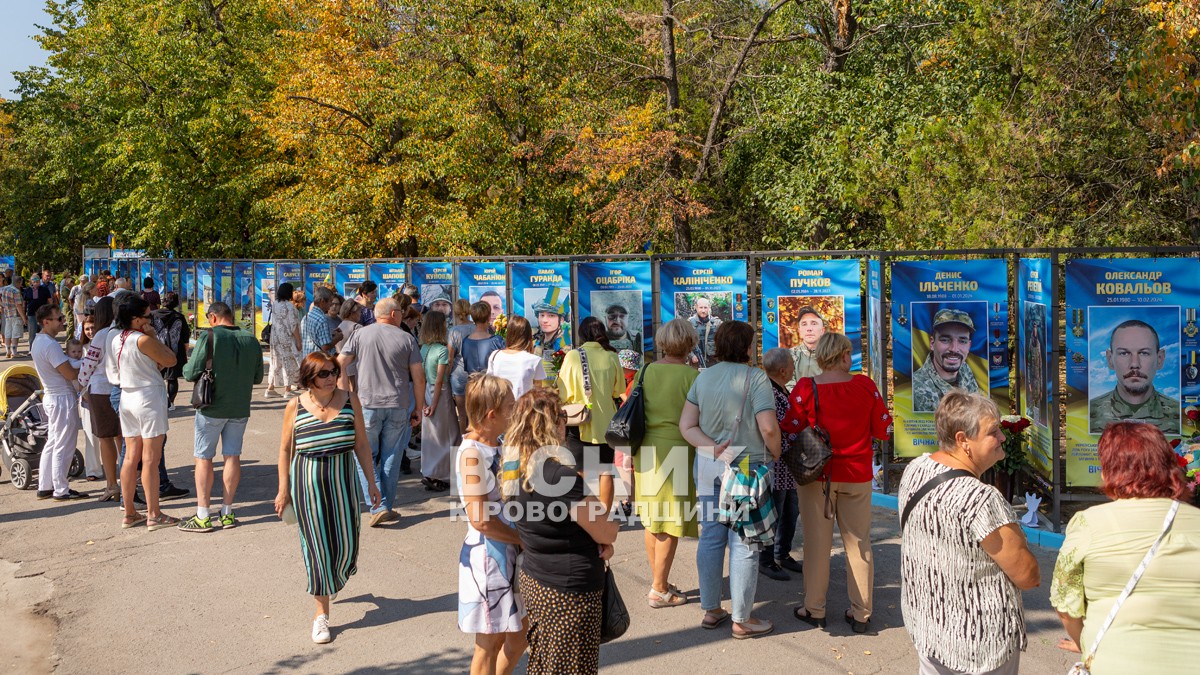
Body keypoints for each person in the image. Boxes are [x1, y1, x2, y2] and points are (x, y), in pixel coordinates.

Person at [898, 390, 1039, 674]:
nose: (1002, 438)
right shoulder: (982, 500)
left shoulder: (916, 469)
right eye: (993, 432)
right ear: (963, 440)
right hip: (979, 647)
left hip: (928, 629)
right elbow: (1027, 575)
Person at [1050, 422, 1200, 673]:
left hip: (1116, 661)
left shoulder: (1089, 523)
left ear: (1109, 471)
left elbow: (1066, 605)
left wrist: (1087, 644)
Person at [782, 333, 892, 632]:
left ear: (820, 357)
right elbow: (883, 430)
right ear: (845, 356)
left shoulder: (806, 388)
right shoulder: (865, 386)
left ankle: (814, 608)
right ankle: (861, 613)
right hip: (857, 475)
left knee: (816, 545)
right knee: (858, 544)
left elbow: (790, 426)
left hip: (818, 476)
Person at [678, 320, 781, 638]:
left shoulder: (703, 377)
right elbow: (767, 427)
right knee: (744, 542)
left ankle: (711, 609)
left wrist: (712, 446)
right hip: (746, 467)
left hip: (709, 465)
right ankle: (741, 618)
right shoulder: (757, 378)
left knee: (710, 537)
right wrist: (775, 453)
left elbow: (687, 426)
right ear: (747, 347)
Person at [504, 388, 618, 675]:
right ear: (549, 424)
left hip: (537, 577)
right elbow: (606, 529)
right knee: (572, 667)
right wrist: (603, 541)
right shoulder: (557, 475)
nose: (565, 424)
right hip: (569, 591)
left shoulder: (513, 467)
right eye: (561, 417)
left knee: (545, 663)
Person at [274, 353, 381, 644]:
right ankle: (321, 615)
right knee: (317, 547)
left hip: (343, 480)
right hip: (307, 483)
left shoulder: (350, 399)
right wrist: (283, 490)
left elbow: (361, 443)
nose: (331, 377)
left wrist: (371, 482)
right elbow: (285, 450)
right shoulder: (294, 405)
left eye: (333, 371)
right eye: (323, 373)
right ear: (309, 377)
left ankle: (331, 577)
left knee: (347, 544)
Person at [455, 374, 526, 675]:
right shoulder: (472, 453)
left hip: (507, 551)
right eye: (511, 406)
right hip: (489, 558)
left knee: (519, 636)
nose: (516, 411)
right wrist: (520, 539)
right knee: (489, 643)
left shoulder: (496, 443)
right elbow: (481, 520)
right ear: (491, 414)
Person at [337, 296, 426, 527]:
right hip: (398, 405)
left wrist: (344, 393)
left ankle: (377, 505)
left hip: (367, 404)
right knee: (392, 457)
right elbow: (418, 378)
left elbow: (340, 364)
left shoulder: (360, 335)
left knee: (364, 455)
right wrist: (418, 407)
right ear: (394, 314)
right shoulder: (407, 338)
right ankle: (383, 505)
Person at [178, 302, 264, 532]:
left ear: (214, 317)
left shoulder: (209, 337)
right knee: (232, 456)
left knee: (204, 457)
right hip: (239, 407)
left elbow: (189, 373)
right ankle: (227, 512)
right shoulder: (251, 339)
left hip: (211, 407)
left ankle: (203, 515)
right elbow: (257, 377)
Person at [634, 318, 701, 608]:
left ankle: (658, 582)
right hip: (678, 449)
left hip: (646, 449)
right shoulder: (693, 376)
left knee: (652, 519)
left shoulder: (645, 370)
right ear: (689, 344)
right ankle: (659, 588)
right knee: (671, 522)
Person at [114, 295, 180, 530]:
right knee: (151, 458)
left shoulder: (118, 339)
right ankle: (154, 513)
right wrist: (152, 335)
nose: (150, 318)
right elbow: (170, 360)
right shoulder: (142, 339)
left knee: (131, 456)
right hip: (148, 398)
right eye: (147, 316)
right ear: (135, 319)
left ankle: (130, 512)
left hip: (127, 397)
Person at [556, 316, 625, 510]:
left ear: (582, 334)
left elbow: (563, 392)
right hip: (605, 422)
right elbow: (617, 390)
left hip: (579, 421)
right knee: (605, 471)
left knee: (579, 471)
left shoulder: (573, 356)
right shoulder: (611, 355)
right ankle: (604, 513)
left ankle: (582, 517)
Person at [30, 304, 88, 502]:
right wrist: (89, 365)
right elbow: (70, 373)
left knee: (53, 442)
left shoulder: (39, 341)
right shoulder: (49, 345)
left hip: (53, 396)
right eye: (59, 318)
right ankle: (60, 488)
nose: (62, 321)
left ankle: (45, 485)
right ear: (46, 322)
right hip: (61, 397)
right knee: (63, 444)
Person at [1088, 319, 1181, 435]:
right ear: (1110, 359)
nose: (1135, 364)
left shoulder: (1182, 417)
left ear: (1160, 359)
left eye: (1144, 353)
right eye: (1124, 353)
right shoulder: (1087, 414)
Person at [758, 348, 803, 581]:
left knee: (790, 511)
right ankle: (766, 559)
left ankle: (782, 553)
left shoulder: (782, 389)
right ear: (783, 370)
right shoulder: (768, 392)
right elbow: (771, 429)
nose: (794, 370)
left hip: (789, 466)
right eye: (792, 367)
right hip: (776, 462)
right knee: (774, 512)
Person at [77, 298, 121, 503]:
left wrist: (80, 386)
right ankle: (131, 479)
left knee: (105, 438)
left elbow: (88, 364)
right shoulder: (121, 331)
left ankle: (112, 484)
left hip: (101, 390)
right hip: (120, 388)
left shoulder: (101, 334)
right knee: (122, 437)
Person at [912, 308, 981, 412]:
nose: (954, 349)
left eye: (962, 341)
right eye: (945, 340)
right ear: (932, 343)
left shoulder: (965, 369)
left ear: (969, 346)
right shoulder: (917, 389)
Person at [418, 310, 456, 492]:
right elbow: (440, 379)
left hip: (426, 391)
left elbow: (421, 377)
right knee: (447, 434)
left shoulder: (424, 348)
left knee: (430, 435)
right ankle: (443, 474)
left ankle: (429, 470)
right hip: (440, 393)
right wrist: (433, 404)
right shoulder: (441, 350)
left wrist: (424, 404)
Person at [487, 315, 546, 400]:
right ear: (528, 336)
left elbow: (489, 385)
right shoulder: (534, 360)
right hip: (524, 409)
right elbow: (538, 391)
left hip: (499, 408)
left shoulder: (495, 355)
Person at [152, 291, 190, 410]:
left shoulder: (153, 315)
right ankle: (171, 403)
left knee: (156, 376)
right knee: (172, 378)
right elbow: (185, 336)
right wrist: (185, 349)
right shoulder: (179, 317)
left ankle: (159, 401)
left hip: (156, 350)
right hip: (175, 351)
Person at [266, 282, 303, 397]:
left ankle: (270, 388)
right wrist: (298, 340)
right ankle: (287, 390)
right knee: (289, 362)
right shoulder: (289, 306)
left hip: (275, 338)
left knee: (276, 362)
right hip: (287, 338)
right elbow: (293, 325)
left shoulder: (275, 304)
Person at [449, 299, 477, 433]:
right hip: (476, 373)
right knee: (475, 412)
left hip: (458, 373)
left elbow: (450, 357)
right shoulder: (478, 328)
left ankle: (462, 444)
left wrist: (446, 375)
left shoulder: (454, 331)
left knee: (462, 414)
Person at [531, 289, 570, 383]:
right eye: (542, 315)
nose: (545, 320)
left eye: (551, 316)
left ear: (561, 320)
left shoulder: (565, 344)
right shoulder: (535, 343)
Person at [787, 306, 826, 388]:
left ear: (822, 330)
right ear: (799, 331)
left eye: (814, 323)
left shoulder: (833, 356)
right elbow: (788, 387)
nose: (809, 329)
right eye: (804, 324)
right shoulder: (789, 356)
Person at [335, 299, 363, 391]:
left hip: (341, 367)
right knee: (354, 396)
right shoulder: (357, 327)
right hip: (354, 368)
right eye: (359, 311)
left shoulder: (339, 326)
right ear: (352, 313)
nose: (360, 314)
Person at [688, 295, 722, 368]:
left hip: (714, 361)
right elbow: (685, 342)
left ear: (709, 308)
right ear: (696, 308)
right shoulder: (690, 323)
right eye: (701, 307)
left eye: (705, 307)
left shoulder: (717, 323)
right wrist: (692, 356)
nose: (703, 310)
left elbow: (724, 342)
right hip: (696, 361)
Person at [303, 286, 337, 356]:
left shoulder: (306, 317)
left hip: (307, 359)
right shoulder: (321, 319)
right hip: (318, 360)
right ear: (322, 301)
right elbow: (325, 347)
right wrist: (337, 339)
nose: (331, 304)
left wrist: (331, 335)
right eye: (330, 301)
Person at [0, 274, 25, 358]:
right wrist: (24, 318)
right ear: (18, 282)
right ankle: (15, 352)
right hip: (16, 315)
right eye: (21, 282)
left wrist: (3, 306)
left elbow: (1, 301)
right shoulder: (16, 291)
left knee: (8, 333)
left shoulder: (4, 289)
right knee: (15, 334)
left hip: (7, 315)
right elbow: (18, 306)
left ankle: (8, 351)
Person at [24, 275, 53, 348]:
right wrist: (24, 315)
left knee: (44, 330)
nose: (36, 283)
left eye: (37, 281)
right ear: (31, 282)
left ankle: (44, 347)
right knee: (32, 331)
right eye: (34, 281)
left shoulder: (44, 289)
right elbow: (24, 303)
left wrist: (51, 310)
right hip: (31, 313)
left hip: (42, 313)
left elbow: (50, 300)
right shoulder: (27, 290)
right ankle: (31, 348)